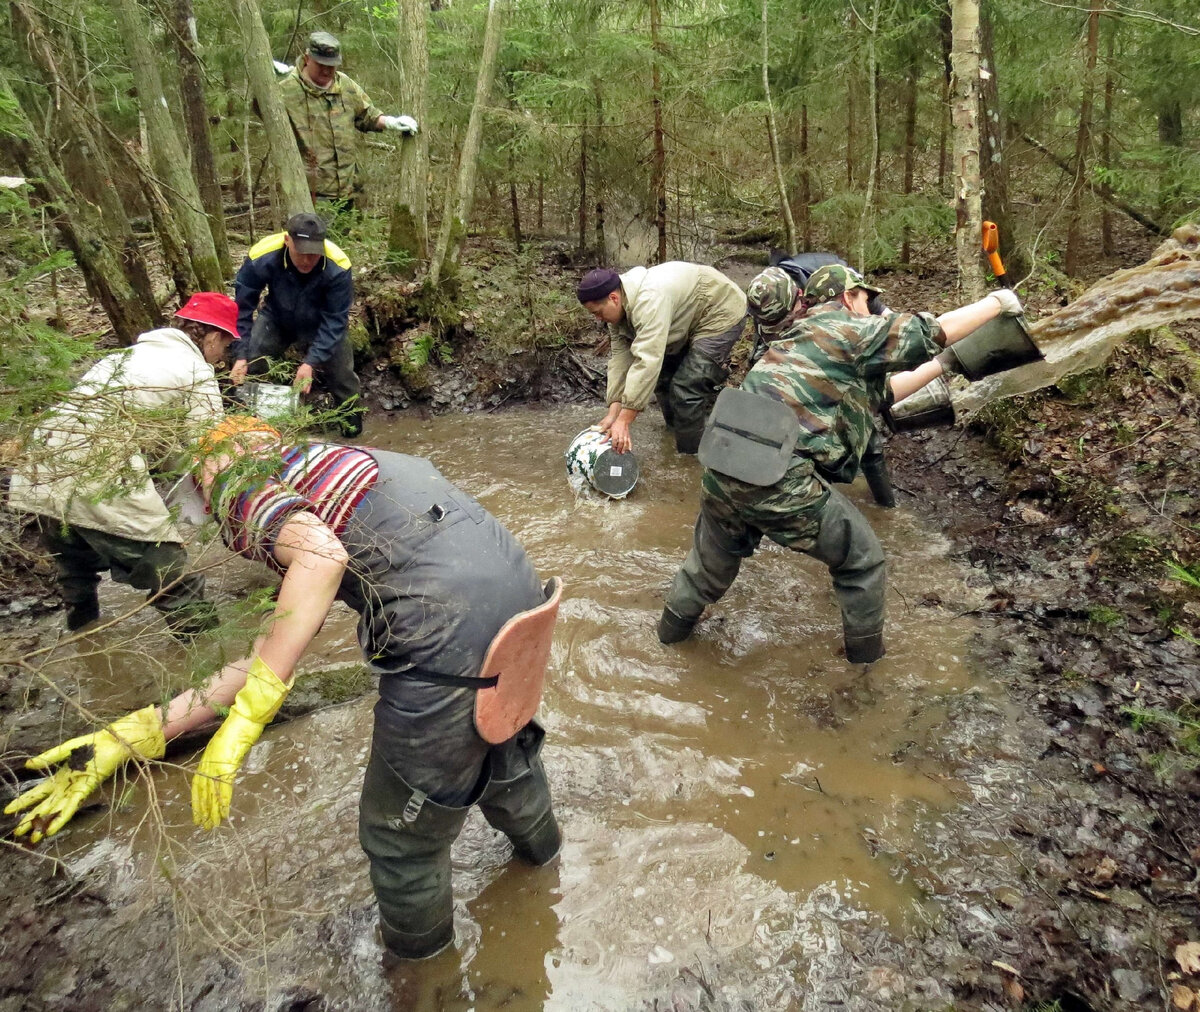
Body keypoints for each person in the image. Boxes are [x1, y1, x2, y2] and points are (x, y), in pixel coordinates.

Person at [5, 417, 562, 962]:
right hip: (520, 595)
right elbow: (279, 642)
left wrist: (249, 719)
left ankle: (424, 974)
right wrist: (140, 732)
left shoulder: (228, 474)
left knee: (401, 839)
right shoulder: (330, 468)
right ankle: (548, 871)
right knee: (503, 749)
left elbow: (320, 560)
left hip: (445, 633)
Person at [659, 264, 1025, 664]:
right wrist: (996, 302)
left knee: (705, 573)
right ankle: (865, 672)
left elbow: (882, 393)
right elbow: (928, 331)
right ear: (850, 298)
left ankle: (665, 643)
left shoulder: (797, 341)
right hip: (777, 480)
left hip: (723, 468)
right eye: (868, 299)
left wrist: (945, 364)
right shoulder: (843, 329)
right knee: (862, 562)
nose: (873, 307)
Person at [5, 293, 240, 637]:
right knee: (169, 572)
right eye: (226, 346)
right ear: (213, 336)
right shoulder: (195, 371)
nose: (222, 358)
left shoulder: (124, 357)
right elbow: (205, 449)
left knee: (76, 570)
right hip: (97, 472)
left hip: (40, 469)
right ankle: (208, 662)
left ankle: (84, 640)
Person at [746, 265, 897, 507]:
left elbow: (876, 315)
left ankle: (886, 507)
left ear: (799, 299)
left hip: (842, 355)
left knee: (866, 433)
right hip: (800, 367)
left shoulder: (828, 288)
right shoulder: (766, 303)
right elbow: (763, 356)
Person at [576, 262, 748, 455]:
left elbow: (648, 360)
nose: (598, 319)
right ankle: (677, 434)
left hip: (719, 310)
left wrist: (624, 421)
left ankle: (692, 458)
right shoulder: (616, 310)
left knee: (686, 388)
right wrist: (614, 412)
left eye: (598, 313)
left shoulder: (649, 301)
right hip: (684, 317)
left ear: (614, 298)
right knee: (664, 380)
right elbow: (620, 359)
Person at [230, 211, 365, 436]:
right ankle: (246, 427)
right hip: (277, 317)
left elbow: (335, 320)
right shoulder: (261, 256)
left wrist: (310, 362)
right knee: (252, 358)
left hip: (321, 321)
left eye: (313, 254)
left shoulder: (338, 265)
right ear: (287, 240)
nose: (306, 260)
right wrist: (240, 354)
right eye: (301, 252)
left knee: (343, 377)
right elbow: (242, 309)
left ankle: (353, 434)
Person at [281, 30, 419, 206]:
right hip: (312, 194)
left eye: (331, 66)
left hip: (349, 190)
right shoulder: (288, 87)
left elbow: (366, 115)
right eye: (321, 64)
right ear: (307, 58)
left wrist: (391, 122)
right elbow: (264, 111)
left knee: (347, 233)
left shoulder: (344, 84)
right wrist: (271, 84)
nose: (326, 70)